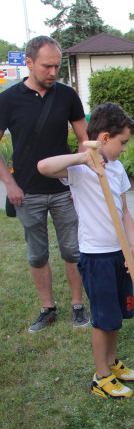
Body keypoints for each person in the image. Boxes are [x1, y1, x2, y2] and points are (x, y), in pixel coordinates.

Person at [38, 103, 134, 399]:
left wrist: (133, 243)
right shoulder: (80, 169)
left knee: (118, 314)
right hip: (96, 257)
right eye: (122, 143)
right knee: (103, 317)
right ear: (105, 138)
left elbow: (125, 212)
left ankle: (112, 362)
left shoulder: (118, 168)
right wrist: (84, 156)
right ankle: (101, 376)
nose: (124, 149)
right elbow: (43, 166)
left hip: (119, 253)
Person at [0, 35, 90, 333]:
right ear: (28, 63)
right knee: (37, 253)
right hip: (26, 192)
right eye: (46, 66)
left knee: (73, 251)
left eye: (57, 66)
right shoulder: (8, 99)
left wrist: (78, 181)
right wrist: (10, 184)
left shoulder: (67, 96)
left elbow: (84, 140)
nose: (53, 72)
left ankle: (78, 305)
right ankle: (48, 307)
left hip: (64, 191)